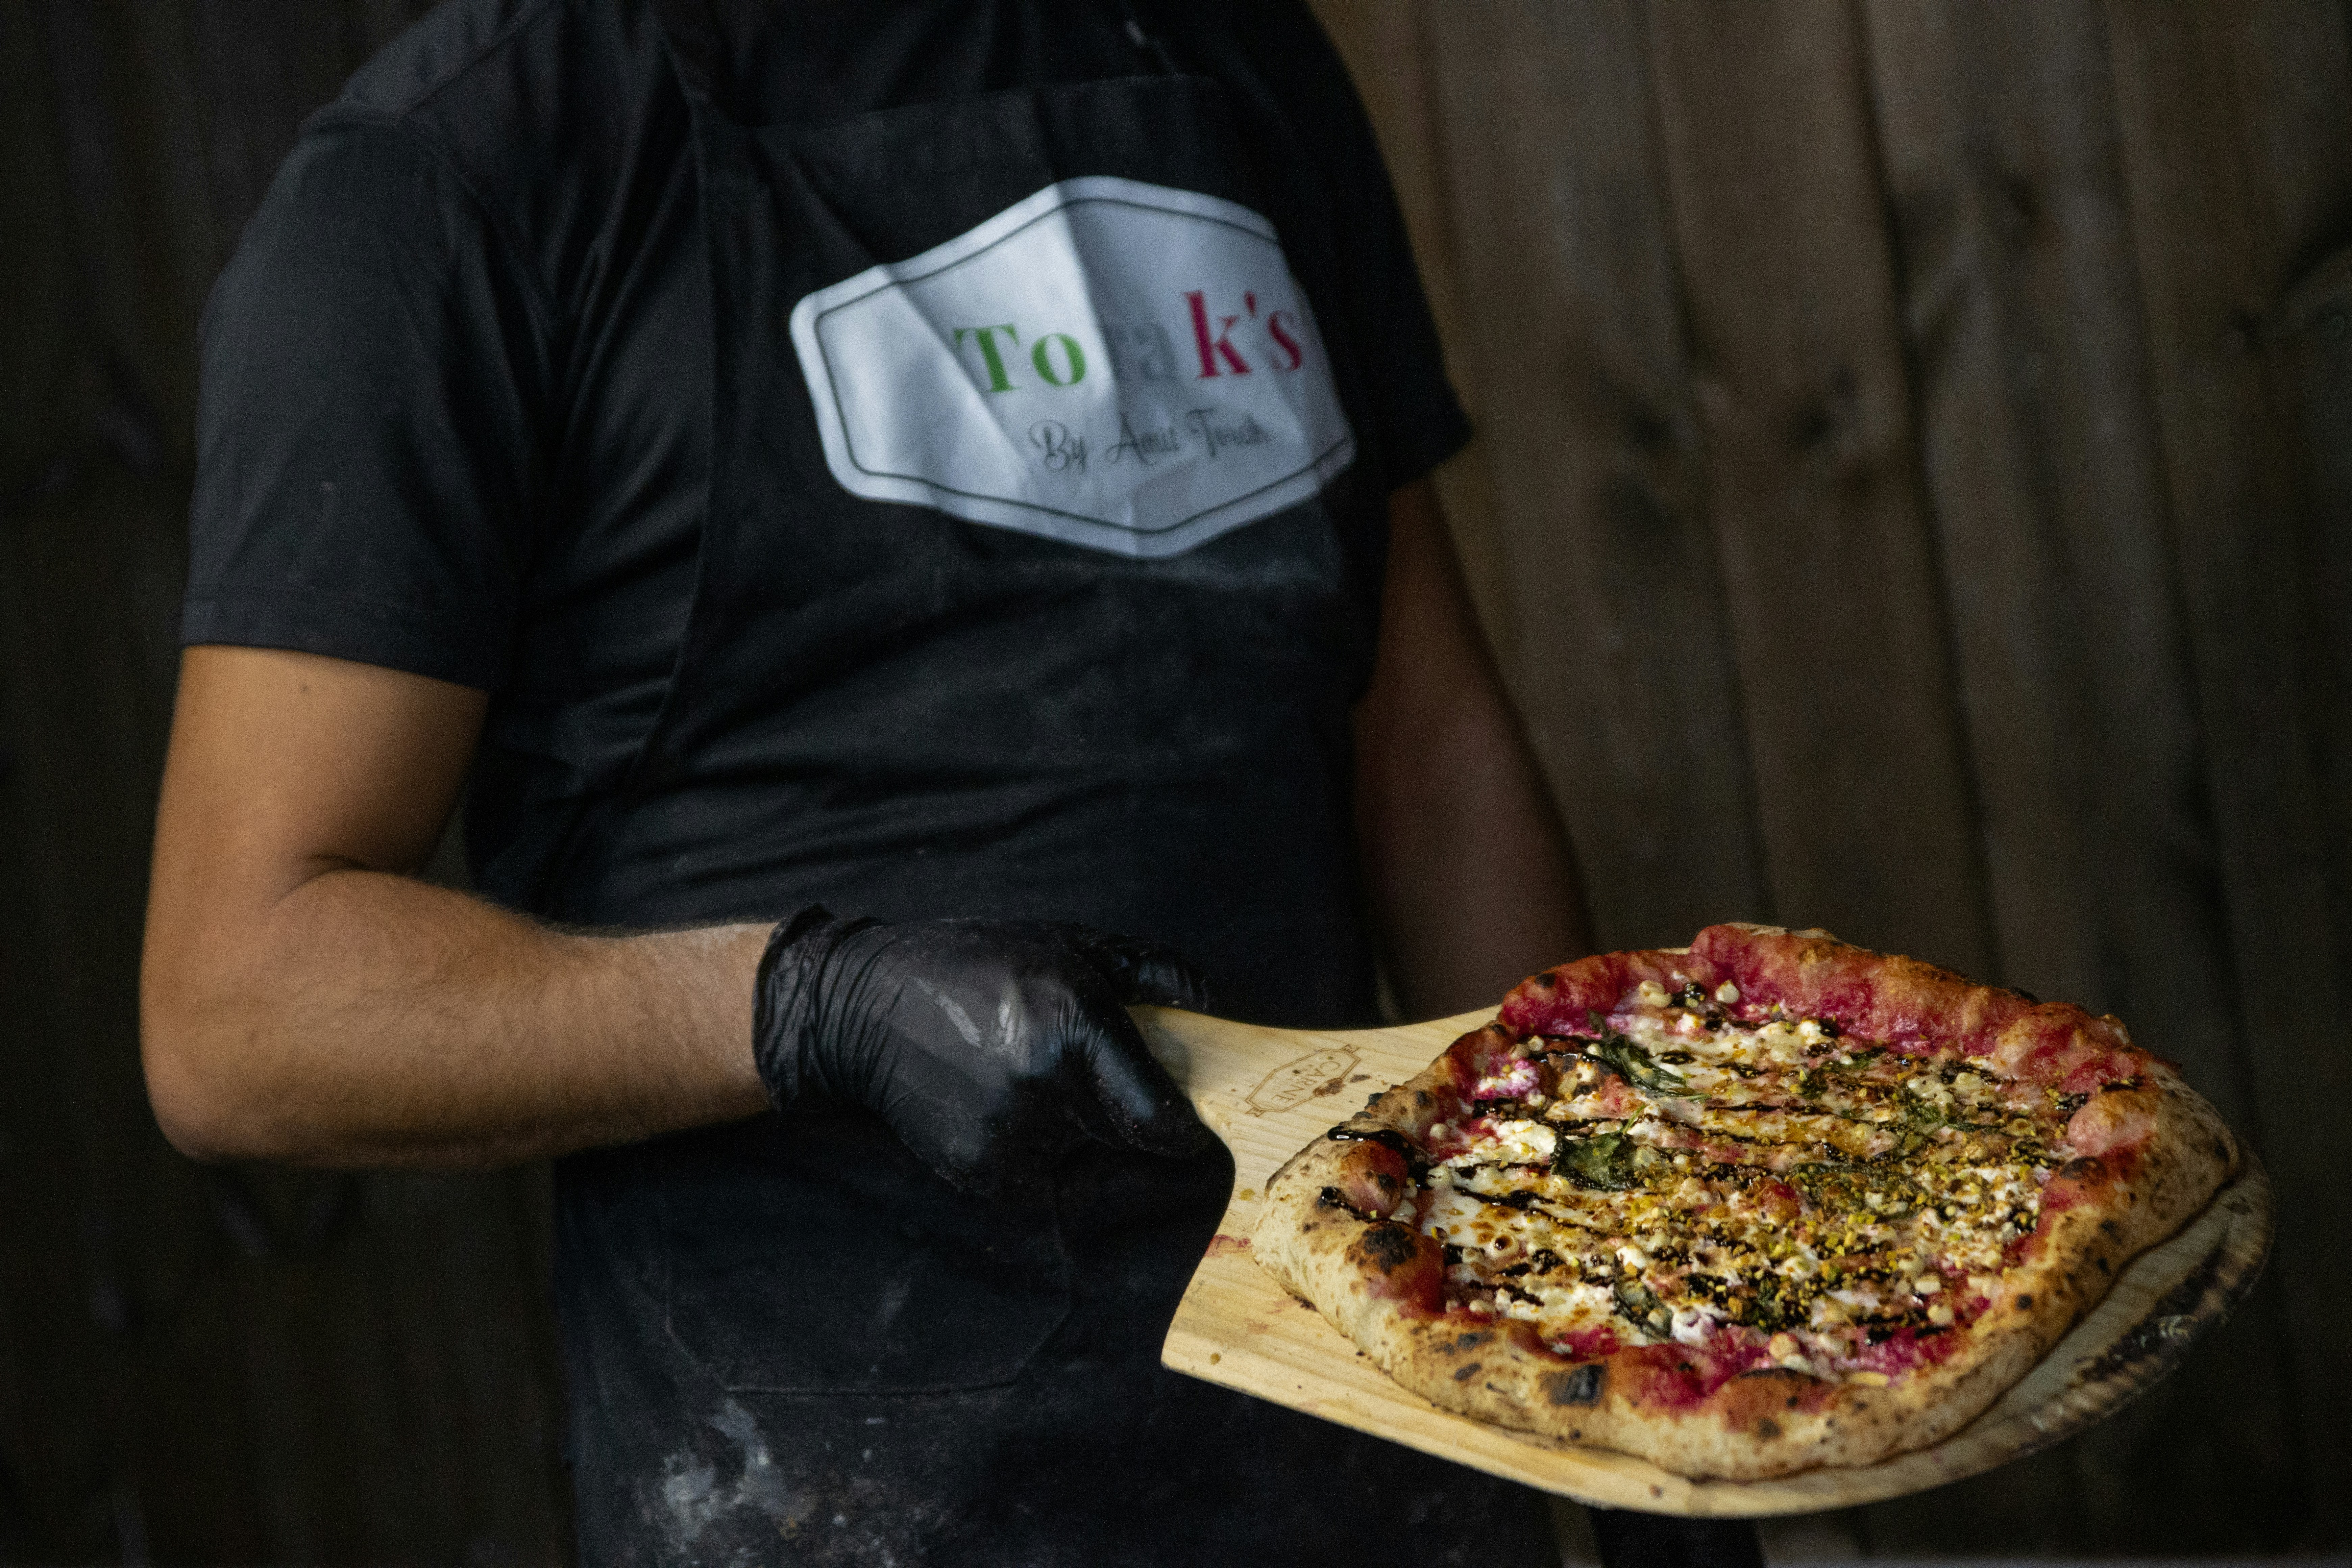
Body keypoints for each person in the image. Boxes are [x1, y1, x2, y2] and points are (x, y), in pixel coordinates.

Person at [141, 1, 1591, 1562]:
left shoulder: (1225, 56)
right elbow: (236, 1009)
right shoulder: (452, 180)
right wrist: (807, 1005)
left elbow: (1429, 755)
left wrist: (1596, 1294)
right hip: (858, 1490)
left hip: (1376, 1440)